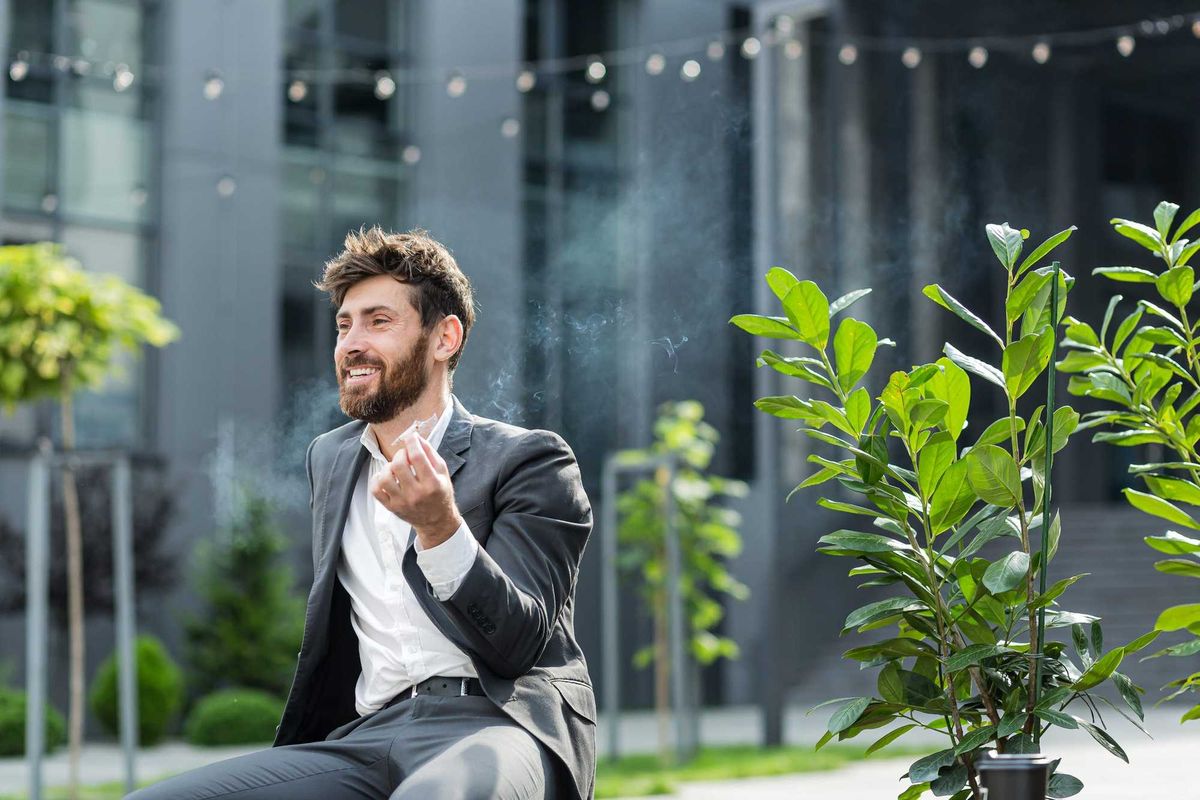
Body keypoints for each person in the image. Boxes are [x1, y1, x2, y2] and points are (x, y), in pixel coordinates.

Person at [130, 227, 595, 800]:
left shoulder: (532, 460)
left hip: (498, 723)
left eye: (379, 321)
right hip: (368, 735)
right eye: (344, 325)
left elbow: (519, 644)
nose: (352, 342)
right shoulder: (330, 458)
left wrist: (440, 528)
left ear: (444, 337)